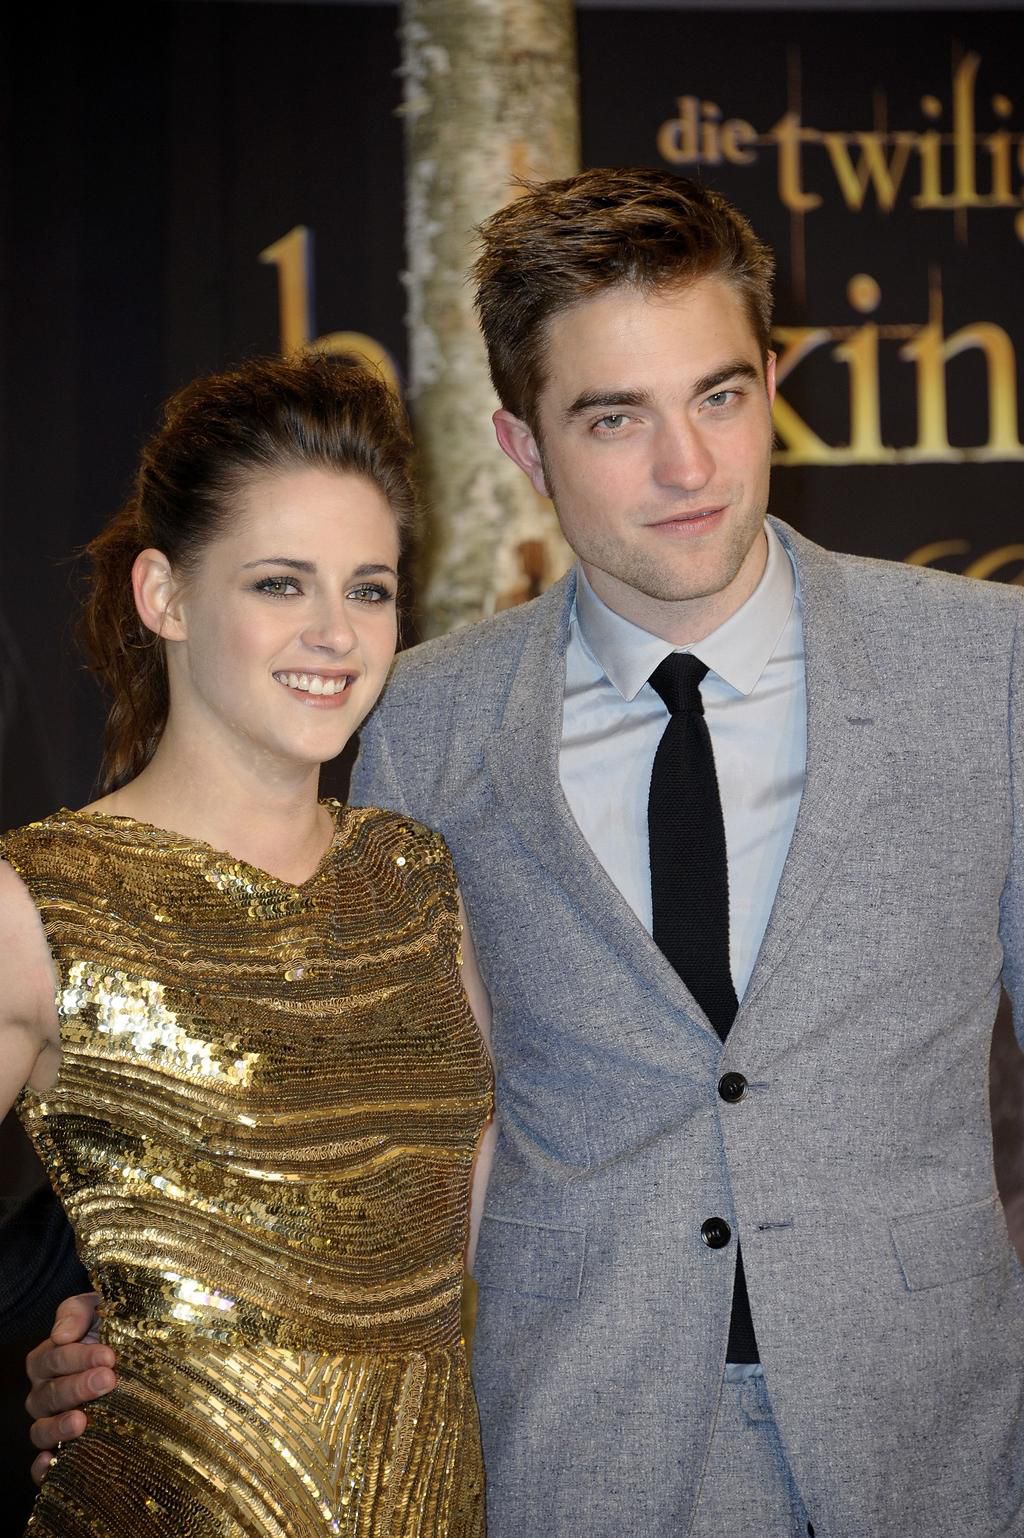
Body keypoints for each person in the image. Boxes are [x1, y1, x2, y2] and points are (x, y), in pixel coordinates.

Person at [27, 169, 1024, 1538]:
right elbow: (301, 1087)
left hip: (938, 1450)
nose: (688, 467)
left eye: (720, 396)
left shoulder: (985, 667)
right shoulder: (420, 717)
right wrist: (121, 1336)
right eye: (615, 418)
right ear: (522, 443)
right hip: (572, 1457)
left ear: (771, 382)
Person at [3, 354, 494, 1537]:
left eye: (369, 589)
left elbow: (485, 1254)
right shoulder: (41, 898)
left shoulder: (415, 879)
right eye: (280, 583)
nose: (336, 633)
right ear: (164, 595)